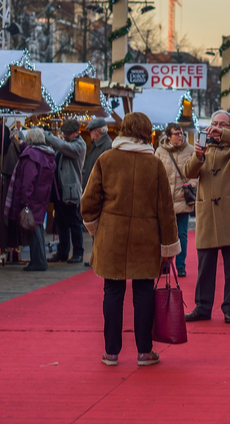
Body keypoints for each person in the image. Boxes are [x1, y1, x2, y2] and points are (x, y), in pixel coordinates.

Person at [82, 112, 180, 366]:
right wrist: (169, 246)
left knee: (112, 292)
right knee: (144, 292)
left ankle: (111, 352)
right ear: (146, 132)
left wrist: (96, 228)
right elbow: (166, 210)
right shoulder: (155, 164)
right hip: (145, 238)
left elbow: (89, 201)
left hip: (111, 236)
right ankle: (144, 351)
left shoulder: (107, 159)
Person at [185, 110, 230, 323]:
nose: (216, 127)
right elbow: (189, 172)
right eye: (214, 123)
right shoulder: (203, 147)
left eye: (222, 124)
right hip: (208, 213)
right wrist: (198, 156)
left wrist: (224, 135)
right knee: (205, 265)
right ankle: (202, 306)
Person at [4, 128, 57, 272]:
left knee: (33, 229)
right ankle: (40, 260)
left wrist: (25, 200)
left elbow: (28, 179)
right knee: (37, 227)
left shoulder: (31, 155)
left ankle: (38, 262)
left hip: (32, 198)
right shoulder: (47, 154)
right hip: (42, 197)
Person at [156, 122, 195, 278]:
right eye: (176, 134)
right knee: (163, 234)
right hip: (165, 200)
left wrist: (191, 185)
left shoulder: (191, 150)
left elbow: (196, 172)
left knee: (182, 234)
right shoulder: (160, 152)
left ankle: (180, 265)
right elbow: (155, 174)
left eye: (181, 133)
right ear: (168, 136)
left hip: (182, 198)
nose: (180, 136)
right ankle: (164, 263)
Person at [47, 119, 87, 264]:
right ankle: (62, 252)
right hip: (60, 190)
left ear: (77, 132)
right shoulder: (68, 143)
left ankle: (78, 252)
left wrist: (48, 137)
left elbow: (62, 146)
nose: (65, 136)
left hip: (69, 190)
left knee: (74, 222)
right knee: (61, 222)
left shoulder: (79, 145)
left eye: (68, 134)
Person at [82, 118, 112, 188]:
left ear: (97, 131)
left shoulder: (107, 146)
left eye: (90, 131)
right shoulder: (96, 145)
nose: (90, 134)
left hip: (96, 191)